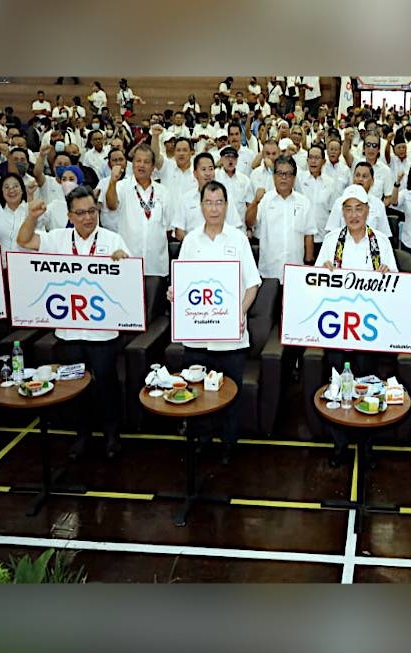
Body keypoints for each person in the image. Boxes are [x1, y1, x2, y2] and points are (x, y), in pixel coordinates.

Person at [17, 187, 131, 459]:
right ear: (69, 215)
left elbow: (127, 282)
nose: (87, 218)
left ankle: (112, 434)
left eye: (92, 211)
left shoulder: (112, 238)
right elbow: (24, 241)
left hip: (103, 333)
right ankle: (81, 434)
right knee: (74, 385)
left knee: (105, 385)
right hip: (68, 330)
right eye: (80, 213)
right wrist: (31, 217)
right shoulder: (57, 238)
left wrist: (122, 263)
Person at [167, 180, 261, 464]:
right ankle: (202, 440)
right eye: (209, 203)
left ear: (226, 205)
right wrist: (175, 294)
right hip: (196, 336)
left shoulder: (238, 239)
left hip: (230, 336)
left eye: (219, 202)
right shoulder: (191, 241)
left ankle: (229, 444)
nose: (214, 208)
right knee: (197, 392)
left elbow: (252, 285)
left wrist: (240, 313)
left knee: (229, 392)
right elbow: (181, 284)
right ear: (201, 206)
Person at [315, 184, 398, 469]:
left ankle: (366, 445)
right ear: (342, 212)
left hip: (367, 331)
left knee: (367, 386)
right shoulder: (331, 240)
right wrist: (323, 270)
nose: (353, 215)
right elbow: (315, 280)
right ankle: (339, 444)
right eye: (348, 209)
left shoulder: (381, 242)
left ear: (367, 211)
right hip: (337, 329)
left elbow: (396, 285)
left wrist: (387, 275)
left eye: (358, 208)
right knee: (336, 385)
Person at [105, 143, 176, 318]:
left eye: (146, 162)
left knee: (153, 316)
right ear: (132, 164)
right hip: (129, 261)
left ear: (153, 167)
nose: (141, 165)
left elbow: (168, 228)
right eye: (137, 161)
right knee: (129, 314)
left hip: (156, 265)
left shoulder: (163, 192)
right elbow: (111, 204)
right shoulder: (121, 187)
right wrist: (112, 182)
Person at [245, 155, 314, 282]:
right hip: (269, 273)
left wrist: (308, 266)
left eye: (288, 174)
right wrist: (255, 202)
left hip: (296, 273)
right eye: (280, 173)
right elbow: (249, 222)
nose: (283, 178)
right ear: (274, 176)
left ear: (294, 178)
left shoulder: (304, 202)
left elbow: (309, 235)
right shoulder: (264, 200)